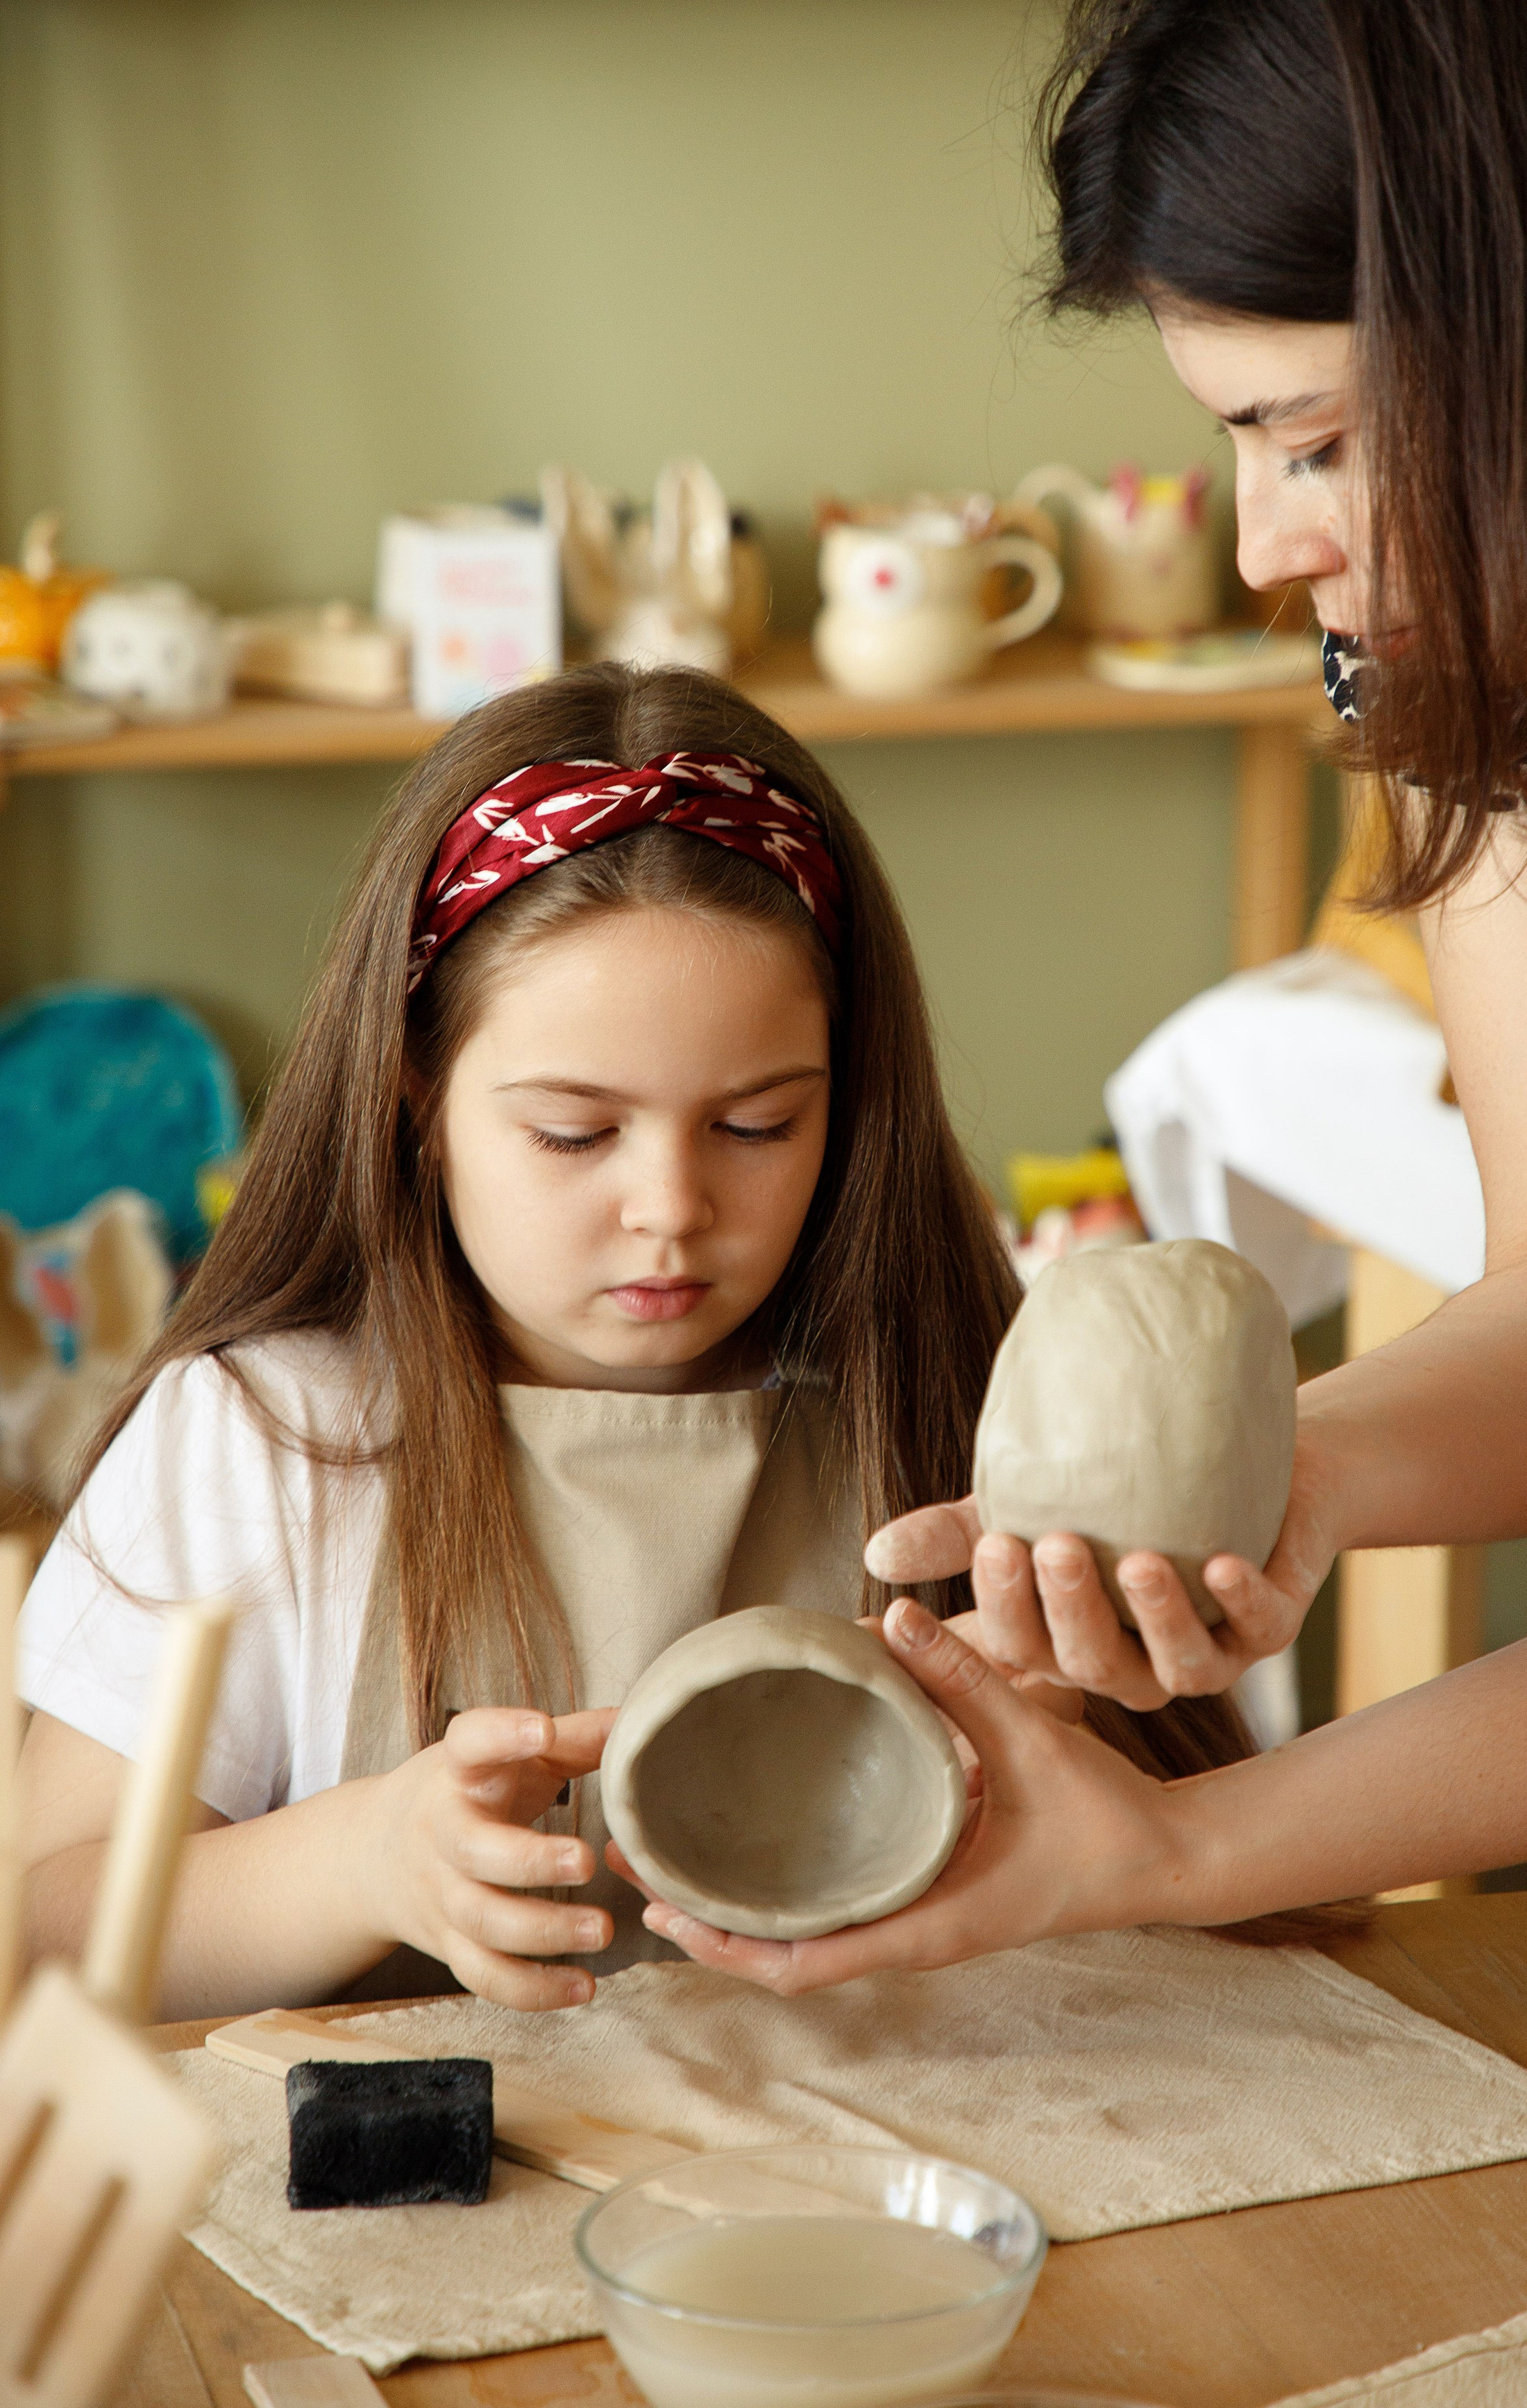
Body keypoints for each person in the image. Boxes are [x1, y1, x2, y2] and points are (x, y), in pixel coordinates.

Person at [623, 0, 1527, 2408]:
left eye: (1317, 436)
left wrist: (1211, 1846)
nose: (1269, 551)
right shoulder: (1509, 629)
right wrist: (1292, 1477)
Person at [16, 664, 1274, 2021]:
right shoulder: (266, 1441)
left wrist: (1060, 1764)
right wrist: (360, 1865)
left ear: (848, 1105)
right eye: (574, 1133)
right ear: (414, 1099)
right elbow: (40, 1931)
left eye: (756, 1127)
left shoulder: (939, 1407)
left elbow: (1172, 1893)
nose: (670, 1211)